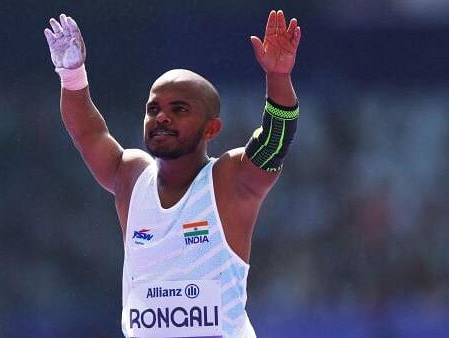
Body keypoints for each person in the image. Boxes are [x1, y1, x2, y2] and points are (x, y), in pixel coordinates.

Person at [44, 9, 301, 338]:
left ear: (212, 129)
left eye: (179, 109)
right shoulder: (131, 176)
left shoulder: (228, 181)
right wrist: (72, 74)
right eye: (153, 109)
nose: (161, 118)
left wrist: (278, 77)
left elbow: (273, 143)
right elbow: (89, 135)